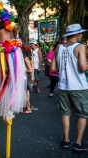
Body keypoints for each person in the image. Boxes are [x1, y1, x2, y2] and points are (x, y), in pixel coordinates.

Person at [51, 23, 88, 153]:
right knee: (82, 114)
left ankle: (66, 140)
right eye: (81, 33)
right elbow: (83, 68)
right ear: (77, 34)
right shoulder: (80, 47)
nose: (82, 35)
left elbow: (53, 69)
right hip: (79, 86)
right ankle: (77, 143)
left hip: (63, 86)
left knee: (65, 113)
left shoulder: (59, 48)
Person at [21, 45, 34, 114]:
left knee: (26, 94)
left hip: (26, 77)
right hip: (25, 77)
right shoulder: (26, 58)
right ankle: (27, 107)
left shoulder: (25, 59)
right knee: (26, 93)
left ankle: (28, 108)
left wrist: (22, 70)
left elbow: (30, 70)